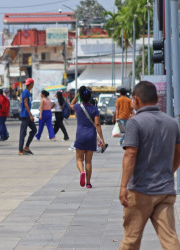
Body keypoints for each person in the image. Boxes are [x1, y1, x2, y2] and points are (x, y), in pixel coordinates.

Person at [119, 81, 180, 249]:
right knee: (170, 239)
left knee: (131, 238)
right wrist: (168, 173)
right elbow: (178, 153)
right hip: (165, 191)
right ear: (155, 99)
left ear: (137, 100)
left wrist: (123, 186)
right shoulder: (172, 123)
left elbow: (130, 154)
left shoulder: (135, 122)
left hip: (140, 191)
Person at [70, 86, 106, 188]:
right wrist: (102, 139)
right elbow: (97, 124)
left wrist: (78, 94)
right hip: (91, 136)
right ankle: (88, 183)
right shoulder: (94, 109)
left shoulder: (78, 107)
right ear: (90, 97)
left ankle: (82, 172)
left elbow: (71, 104)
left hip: (80, 135)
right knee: (89, 161)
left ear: (81, 97)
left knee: (79, 159)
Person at [18, 78, 37, 155]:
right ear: (31, 84)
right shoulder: (25, 92)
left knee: (34, 130)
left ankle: (26, 147)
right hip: (25, 115)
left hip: (27, 115)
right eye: (33, 83)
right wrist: (30, 114)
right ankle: (20, 150)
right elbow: (25, 103)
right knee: (23, 133)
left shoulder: (29, 92)